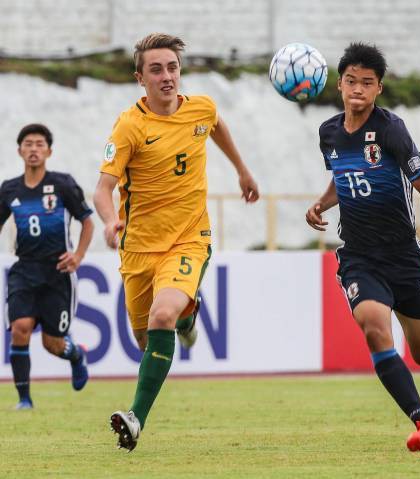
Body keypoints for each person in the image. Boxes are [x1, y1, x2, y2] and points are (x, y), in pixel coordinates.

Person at [93, 33, 259, 451]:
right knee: (146, 342)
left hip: (189, 238)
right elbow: (102, 188)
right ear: (140, 78)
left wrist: (241, 169)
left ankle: (135, 419)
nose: (167, 76)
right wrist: (112, 221)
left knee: (161, 315)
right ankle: (189, 319)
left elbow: (216, 124)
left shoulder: (199, 108)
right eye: (156, 69)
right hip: (138, 250)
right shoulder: (130, 126)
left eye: (172, 67)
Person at [305, 43, 420, 451]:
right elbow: (343, 176)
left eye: (367, 83)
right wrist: (322, 203)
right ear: (339, 84)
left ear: (379, 90)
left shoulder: (391, 130)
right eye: (351, 80)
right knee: (375, 328)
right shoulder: (329, 133)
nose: (358, 88)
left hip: (405, 258)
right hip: (359, 258)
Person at [0, 123, 93, 410]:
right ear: (19, 151)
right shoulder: (9, 189)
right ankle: (24, 400)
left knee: (52, 344)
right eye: (28, 144)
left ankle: (76, 355)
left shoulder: (63, 184)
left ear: (49, 151)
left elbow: (87, 221)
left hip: (58, 273)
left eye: (40, 144)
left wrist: (77, 255)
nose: (34, 149)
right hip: (24, 270)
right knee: (20, 328)